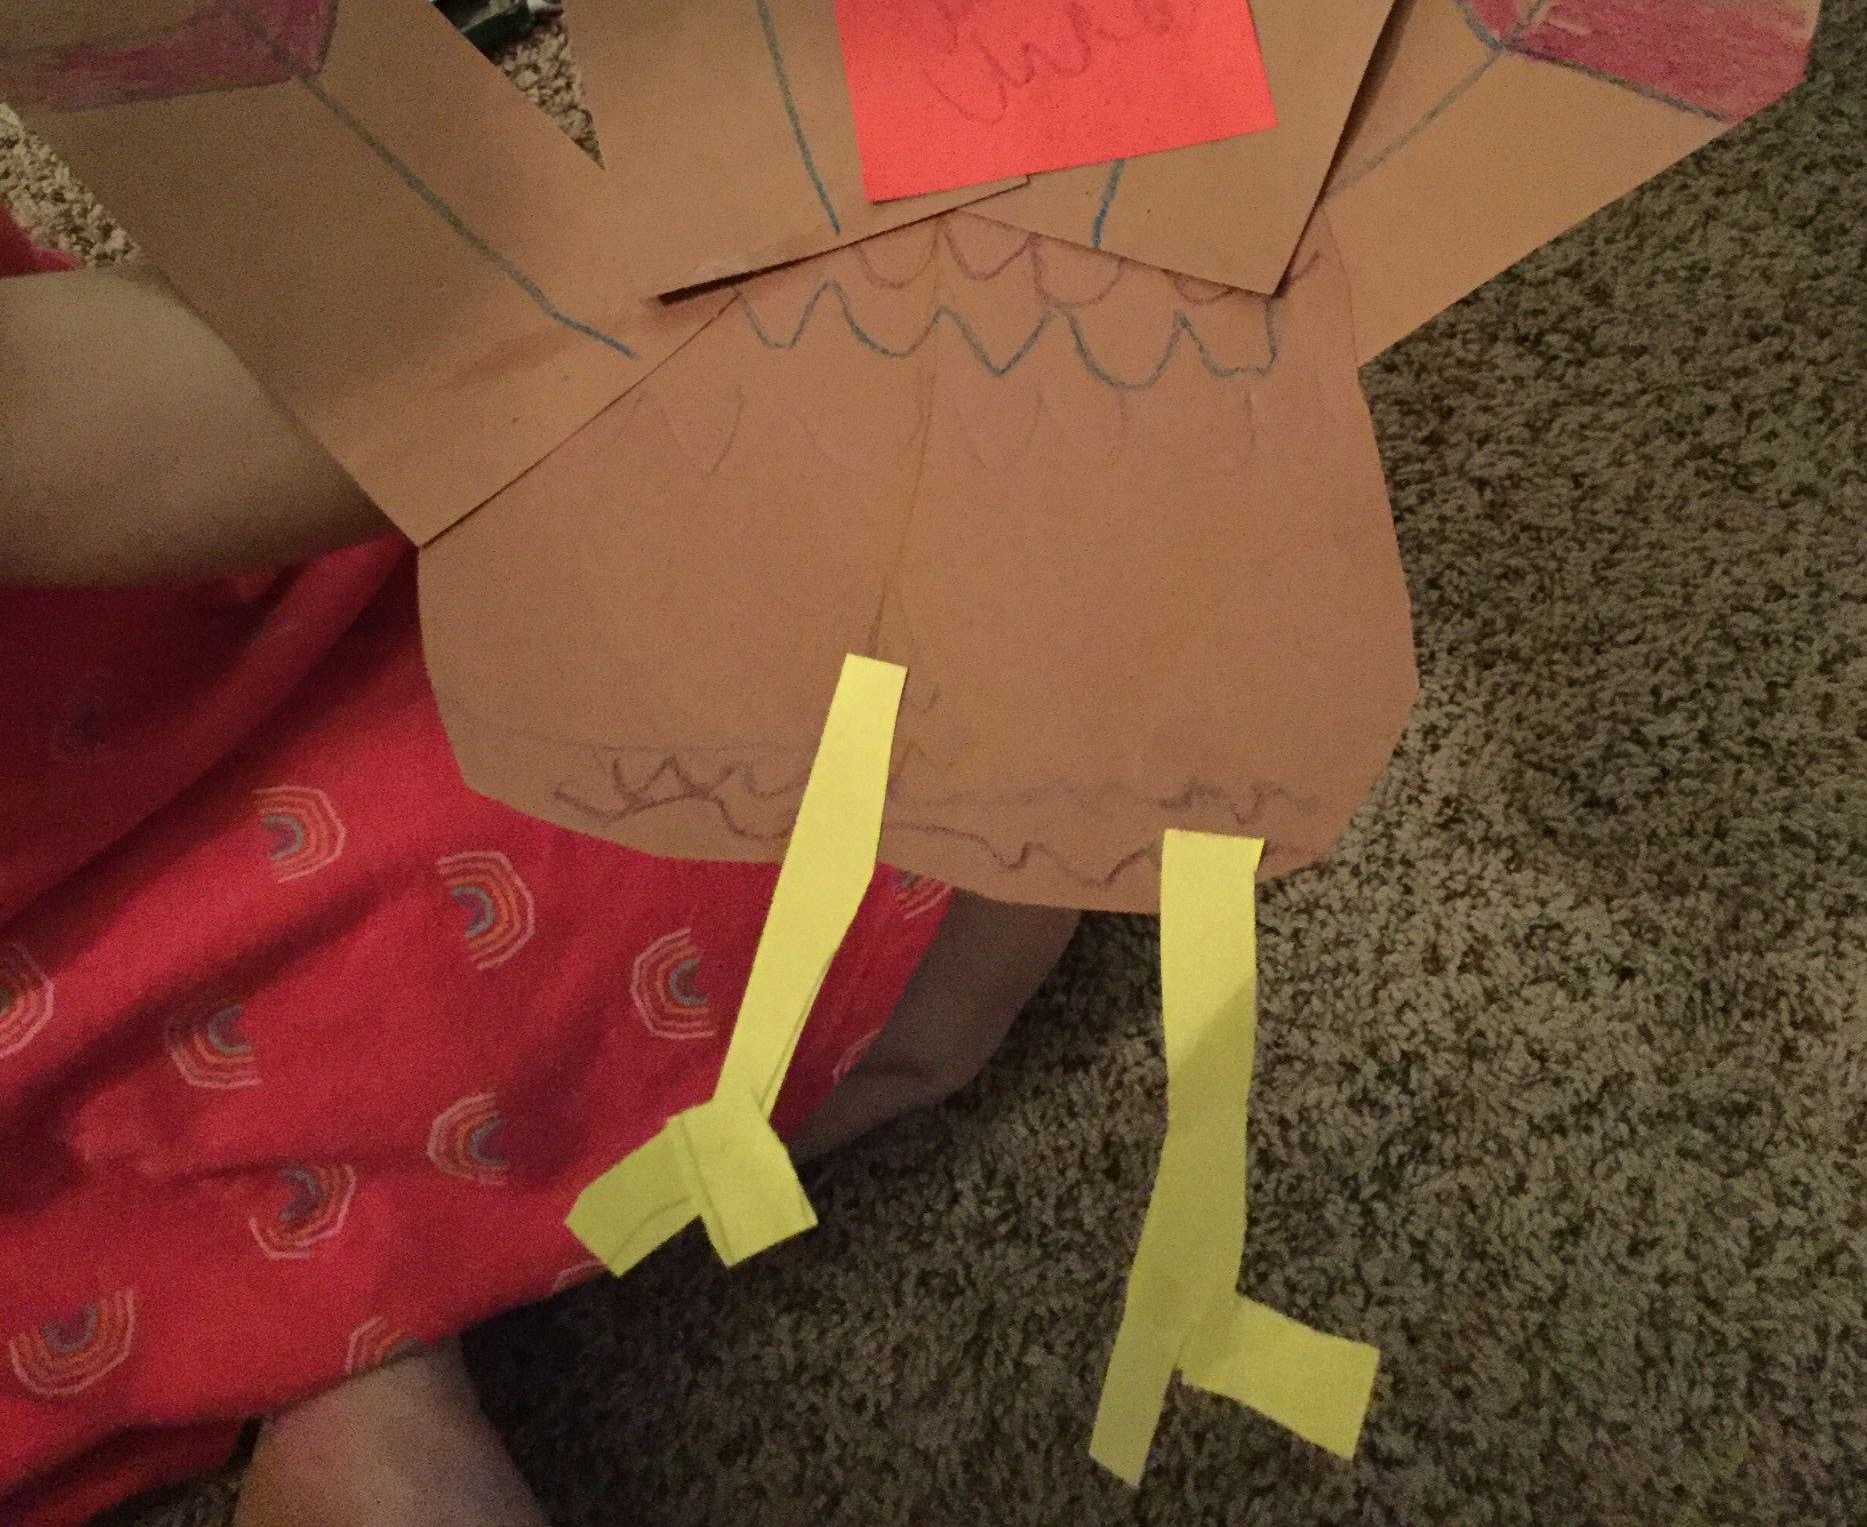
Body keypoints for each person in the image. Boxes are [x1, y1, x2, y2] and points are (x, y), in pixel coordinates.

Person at [0, 214, 1076, 1527]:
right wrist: (652, 303)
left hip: (139, 645)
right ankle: (338, 1297)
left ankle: (331, 1293)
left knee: (981, 786)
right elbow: (55, 415)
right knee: (985, 800)